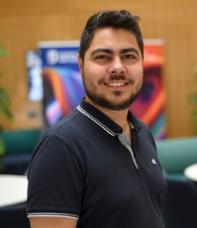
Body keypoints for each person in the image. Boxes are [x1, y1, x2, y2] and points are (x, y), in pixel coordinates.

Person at [27, 10, 167, 228]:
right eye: (103, 57)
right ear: (81, 65)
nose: (118, 67)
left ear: (141, 62)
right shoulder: (60, 147)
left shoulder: (142, 131)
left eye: (129, 56)